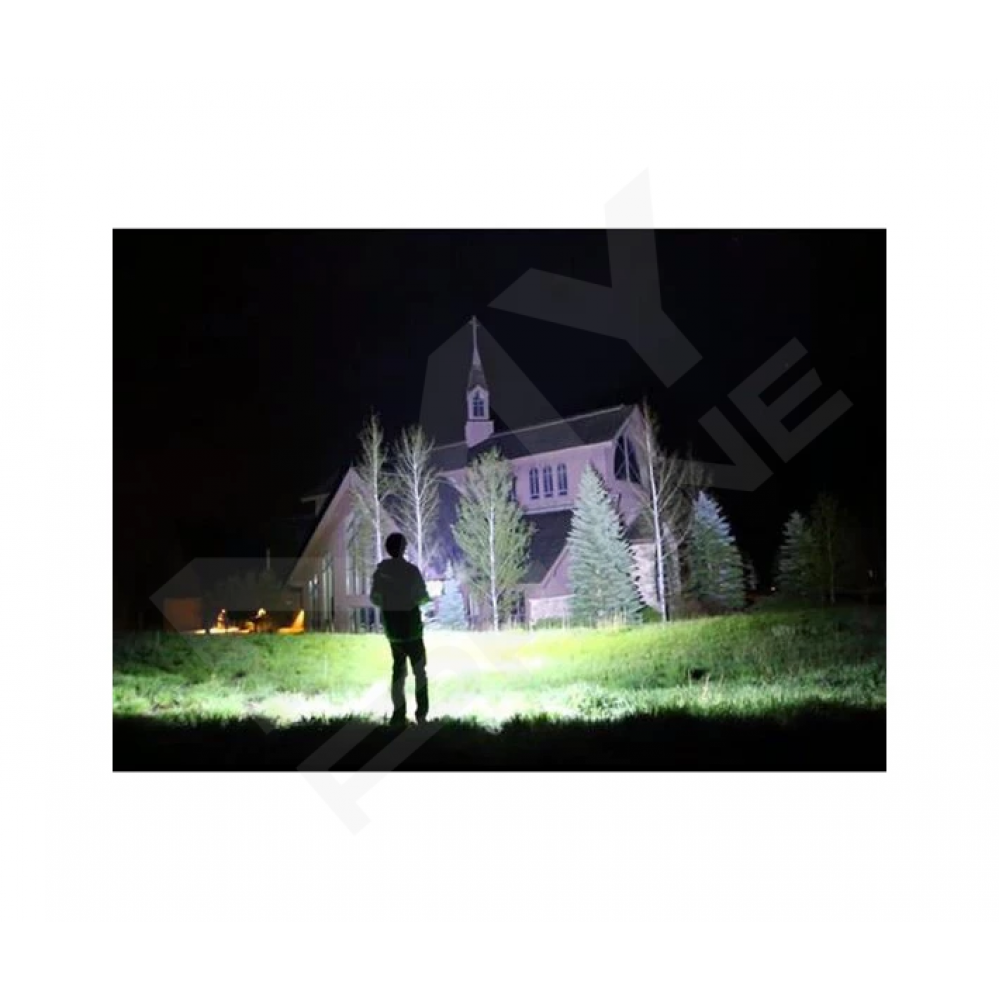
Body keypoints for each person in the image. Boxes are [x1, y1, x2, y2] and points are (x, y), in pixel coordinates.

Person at [369, 533, 432, 725]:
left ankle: (398, 715)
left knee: (398, 672)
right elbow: (421, 596)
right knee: (419, 672)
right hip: (412, 630)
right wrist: (423, 599)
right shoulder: (411, 571)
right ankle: (421, 715)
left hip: (394, 631)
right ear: (404, 548)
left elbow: (375, 598)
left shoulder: (381, 573)